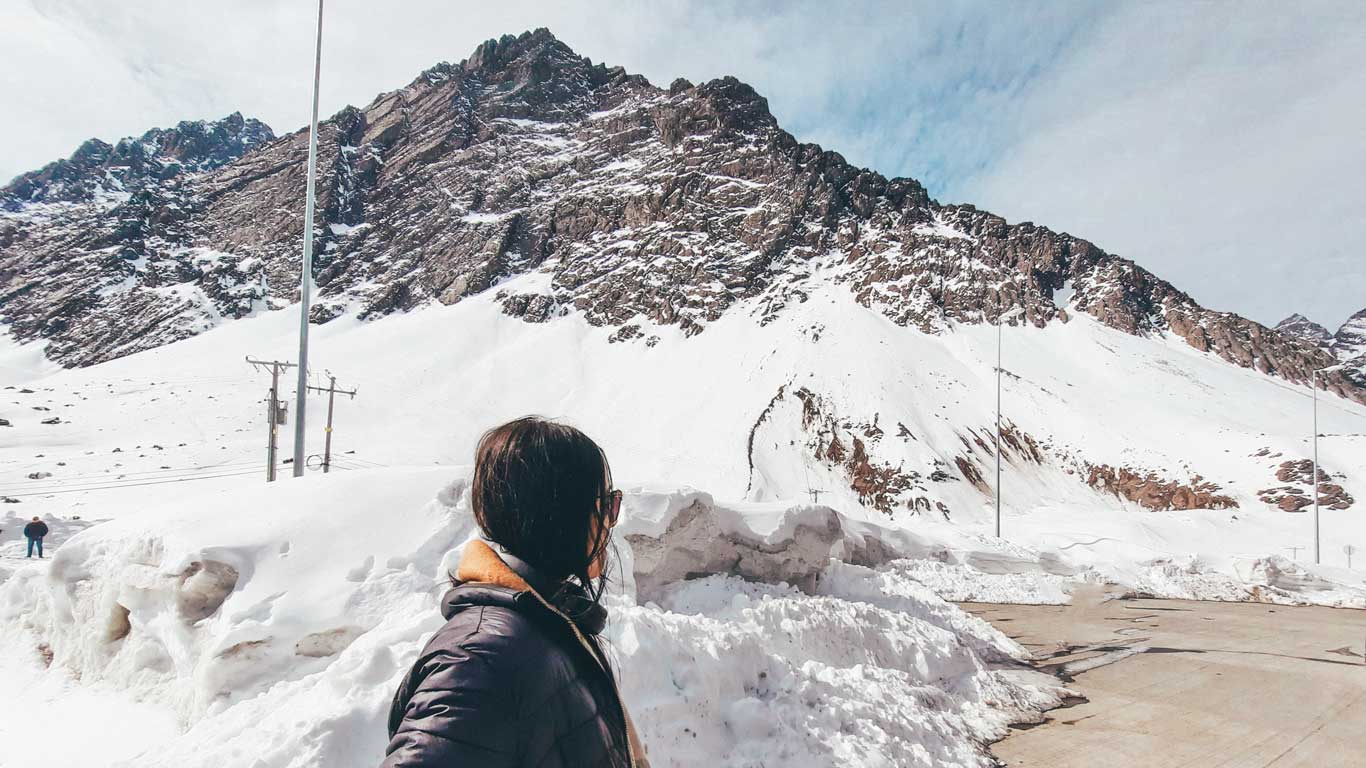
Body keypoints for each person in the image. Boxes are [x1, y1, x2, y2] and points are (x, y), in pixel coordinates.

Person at [382, 417, 648, 768]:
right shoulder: (483, 656)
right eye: (607, 503)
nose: (613, 518)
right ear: (563, 511)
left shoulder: (542, 625)